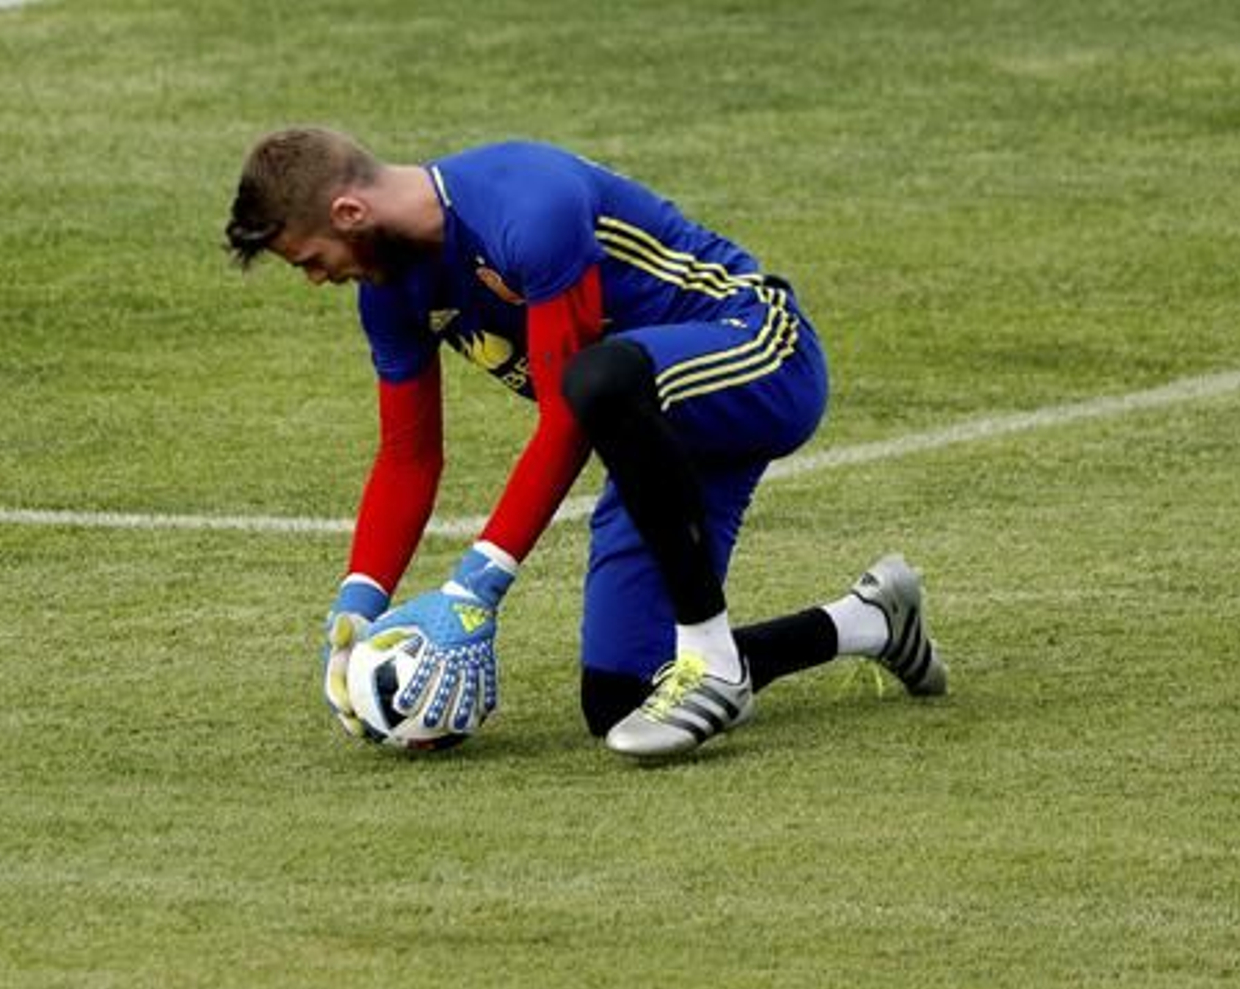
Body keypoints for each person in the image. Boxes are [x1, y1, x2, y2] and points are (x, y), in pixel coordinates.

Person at [224, 127, 946, 760]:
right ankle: (870, 621)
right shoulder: (389, 292)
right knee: (620, 700)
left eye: (309, 259)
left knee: (598, 380)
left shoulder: (525, 203)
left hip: (759, 353)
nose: (316, 279)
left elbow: (572, 413)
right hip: (651, 436)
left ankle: (713, 663)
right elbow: (408, 456)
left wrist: (475, 587)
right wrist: (357, 605)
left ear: (349, 213)